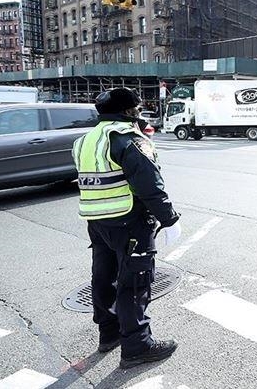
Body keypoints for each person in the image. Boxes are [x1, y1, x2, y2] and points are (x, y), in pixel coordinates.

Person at [73, 88, 179, 369]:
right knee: (134, 282)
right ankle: (137, 346)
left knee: (103, 277)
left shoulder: (85, 140)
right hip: (129, 221)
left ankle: (109, 334)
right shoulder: (128, 139)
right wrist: (169, 219)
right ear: (129, 111)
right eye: (138, 108)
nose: (140, 112)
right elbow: (149, 185)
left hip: (97, 222)